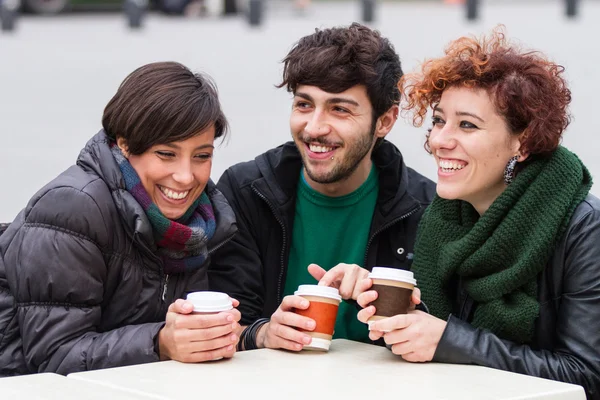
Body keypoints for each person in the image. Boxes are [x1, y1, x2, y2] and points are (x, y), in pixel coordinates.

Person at [354, 29, 600, 397]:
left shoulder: (584, 228)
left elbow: (587, 374)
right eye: (438, 121)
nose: (439, 140)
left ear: (523, 141)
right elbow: (432, 339)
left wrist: (452, 340)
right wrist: (380, 298)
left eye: (467, 125)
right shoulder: (446, 217)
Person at [0, 62, 241, 376]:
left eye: (202, 156)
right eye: (167, 154)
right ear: (125, 144)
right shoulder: (73, 208)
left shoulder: (196, 224)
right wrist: (160, 343)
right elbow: (53, 356)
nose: (185, 177)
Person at [209, 23, 435, 352]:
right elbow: (227, 321)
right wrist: (263, 333)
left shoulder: (424, 209)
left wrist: (393, 309)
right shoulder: (245, 191)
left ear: (385, 121)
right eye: (304, 105)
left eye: (339, 109)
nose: (314, 127)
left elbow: (441, 329)